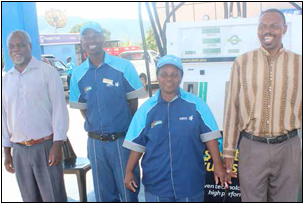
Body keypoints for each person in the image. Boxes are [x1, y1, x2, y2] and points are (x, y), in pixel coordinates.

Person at [123, 55, 229, 202]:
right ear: (157, 77)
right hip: (157, 184)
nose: (169, 79)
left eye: (174, 74)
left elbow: (210, 137)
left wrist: (218, 165)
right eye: (164, 74)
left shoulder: (196, 104)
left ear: (181, 78)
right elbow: (137, 144)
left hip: (189, 182)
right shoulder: (146, 109)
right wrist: (128, 171)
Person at [223, 9, 302, 202]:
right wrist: (228, 151)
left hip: (288, 147)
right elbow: (232, 107)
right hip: (252, 147)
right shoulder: (242, 62)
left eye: (274, 26)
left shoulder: (299, 64)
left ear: (284, 29)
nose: (268, 30)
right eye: (263, 26)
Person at [69, 22, 145, 202]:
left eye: (95, 35)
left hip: (122, 141)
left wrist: (121, 129)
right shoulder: (78, 74)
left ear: (103, 38)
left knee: (129, 191)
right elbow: (84, 110)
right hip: (95, 145)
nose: (91, 40)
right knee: (103, 195)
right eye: (86, 37)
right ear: (82, 41)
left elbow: (132, 104)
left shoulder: (124, 67)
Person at [2, 30, 68, 202]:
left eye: (20, 45)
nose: (16, 49)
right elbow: (4, 118)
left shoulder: (47, 73)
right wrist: (6, 152)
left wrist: (57, 144)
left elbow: (60, 110)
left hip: (46, 147)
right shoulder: (5, 80)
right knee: (29, 198)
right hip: (19, 151)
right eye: (12, 46)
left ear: (30, 47)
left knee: (53, 197)